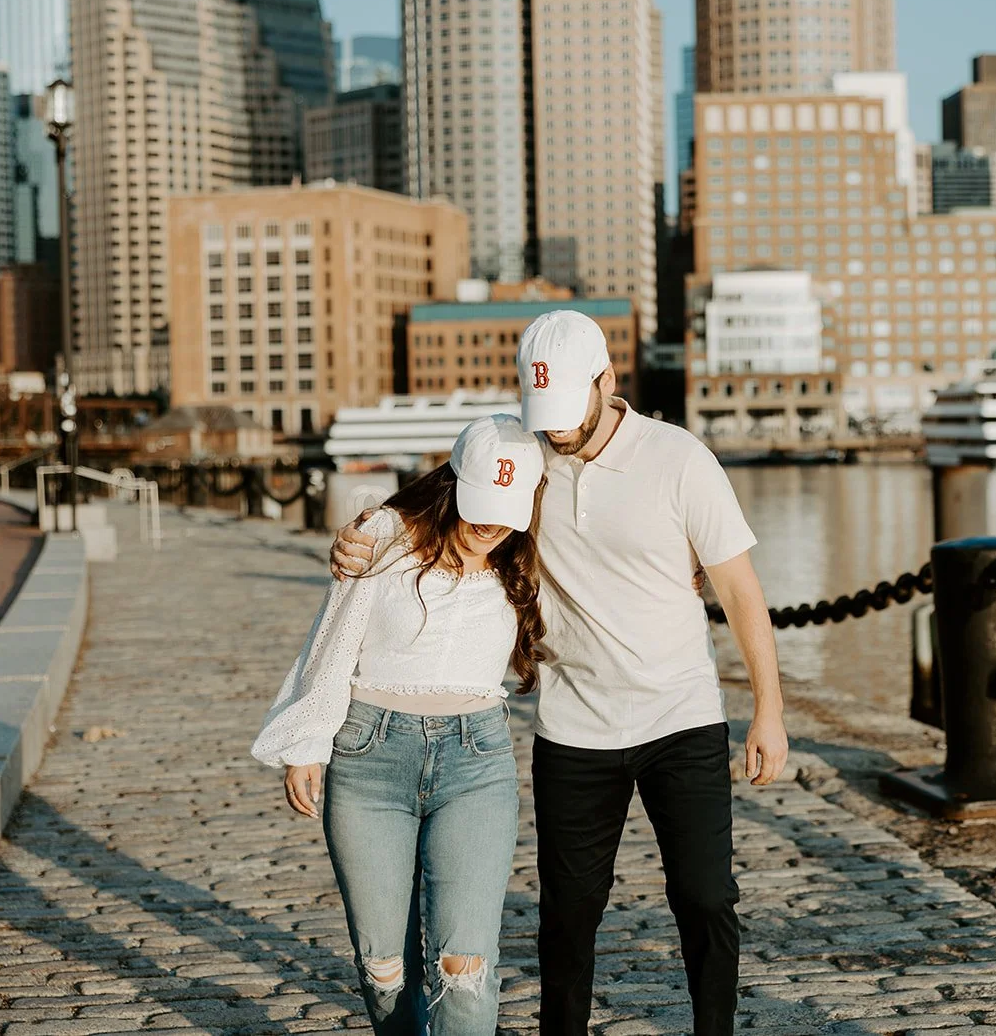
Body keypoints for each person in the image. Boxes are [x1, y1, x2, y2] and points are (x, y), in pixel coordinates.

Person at [330, 310, 789, 1035]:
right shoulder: (525, 457)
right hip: (573, 727)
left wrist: (770, 710)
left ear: (608, 380)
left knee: (705, 897)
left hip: (681, 715)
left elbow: (739, 591)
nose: (559, 428)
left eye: (570, 408)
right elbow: (441, 494)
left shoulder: (680, 459)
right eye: (543, 411)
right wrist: (364, 532)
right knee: (569, 915)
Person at [253, 414, 547, 1036]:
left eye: (506, 511)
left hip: (476, 764)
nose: (490, 525)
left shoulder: (527, 556)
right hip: (369, 760)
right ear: (452, 482)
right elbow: (333, 640)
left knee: (464, 966)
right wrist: (307, 741)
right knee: (383, 967)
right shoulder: (383, 536)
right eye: (480, 504)